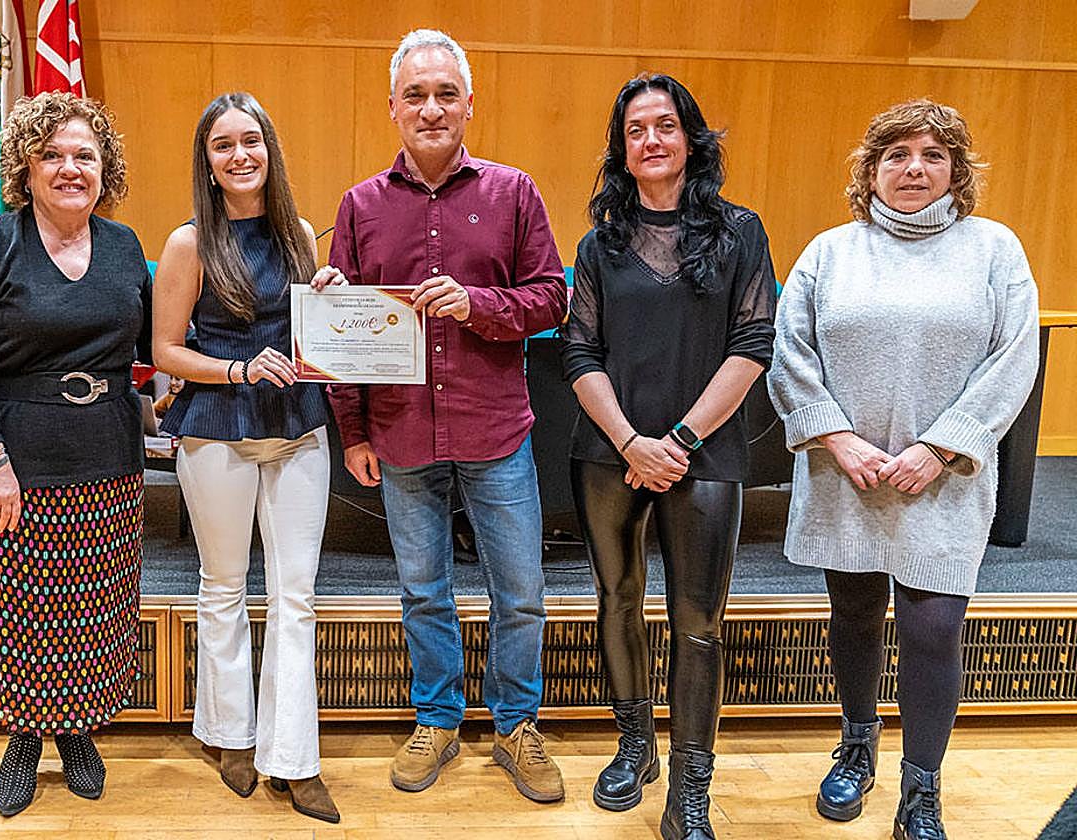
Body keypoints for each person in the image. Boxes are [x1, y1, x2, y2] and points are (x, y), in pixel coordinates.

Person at [767, 98, 1039, 840]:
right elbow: (790, 355)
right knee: (853, 615)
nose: (914, 168)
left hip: (942, 481)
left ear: (956, 169)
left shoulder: (994, 249)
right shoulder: (830, 251)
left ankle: (923, 787)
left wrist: (940, 446)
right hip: (846, 475)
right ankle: (857, 745)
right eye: (896, 155)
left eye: (932, 155)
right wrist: (838, 439)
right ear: (872, 169)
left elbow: (1013, 358)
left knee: (933, 627)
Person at [326, 29, 569, 803]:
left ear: (470, 104)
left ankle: (516, 726)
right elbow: (345, 333)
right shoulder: (360, 206)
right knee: (422, 588)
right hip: (399, 435)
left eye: (445, 94)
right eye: (415, 95)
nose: (431, 109)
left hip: (495, 430)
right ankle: (437, 717)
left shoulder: (515, 192)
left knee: (520, 589)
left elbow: (551, 298)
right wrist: (353, 431)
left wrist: (478, 306)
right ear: (392, 108)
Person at [560, 74, 776, 838]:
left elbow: (753, 344)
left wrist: (678, 442)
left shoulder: (741, 232)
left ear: (690, 137)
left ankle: (690, 789)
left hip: (704, 455)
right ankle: (632, 746)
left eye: (664, 125)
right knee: (616, 599)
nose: (650, 140)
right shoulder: (598, 245)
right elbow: (578, 352)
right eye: (635, 130)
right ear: (622, 150)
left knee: (698, 621)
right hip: (608, 451)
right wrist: (629, 442)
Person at [0, 92, 150, 817]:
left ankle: (77, 728)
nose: (69, 167)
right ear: (25, 169)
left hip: (110, 457)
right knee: (24, 609)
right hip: (18, 464)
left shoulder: (124, 247)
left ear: (104, 169)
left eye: (84, 155)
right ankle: (25, 734)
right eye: (51, 154)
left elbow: (151, 346)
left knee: (96, 607)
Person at [151, 92, 345, 824]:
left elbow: (308, 339)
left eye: (251, 141)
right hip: (217, 425)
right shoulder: (187, 242)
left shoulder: (297, 230)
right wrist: (236, 370)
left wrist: (325, 292)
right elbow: (165, 351)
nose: (240, 156)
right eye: (223, 144)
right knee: (223, 585)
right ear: (206, 159)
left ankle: (294, 757)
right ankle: (231, 734)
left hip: (298, 426)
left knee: (297, 594)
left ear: (270, 148)